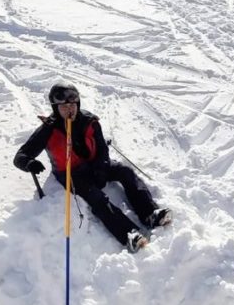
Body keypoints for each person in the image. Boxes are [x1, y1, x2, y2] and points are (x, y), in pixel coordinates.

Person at [13, 82, 170, 253]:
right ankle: (128, 234)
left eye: (73, 105)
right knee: (96, 197)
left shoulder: (89, 121)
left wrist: (101, 168)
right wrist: (29, 163)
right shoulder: (48, 129)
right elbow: (20, 156)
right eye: (63, 106)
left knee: (125, 172)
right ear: (55, 108)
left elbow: (102, 148)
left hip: (94, 164)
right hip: (70, 173)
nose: (69, 109)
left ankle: (150, 213)